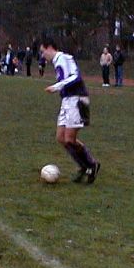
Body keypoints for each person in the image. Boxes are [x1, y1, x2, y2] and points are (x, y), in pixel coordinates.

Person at [40, 37, 100, 184]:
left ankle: (91, 165)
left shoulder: (64, 58)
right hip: (67, 100)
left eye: (43, 51)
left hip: (77, 99)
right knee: (61, 138)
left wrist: (56, 87)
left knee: (69, 139)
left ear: (49, 48)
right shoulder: (57, 62)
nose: (42, 55)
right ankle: (84, 166)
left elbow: (75, 76)